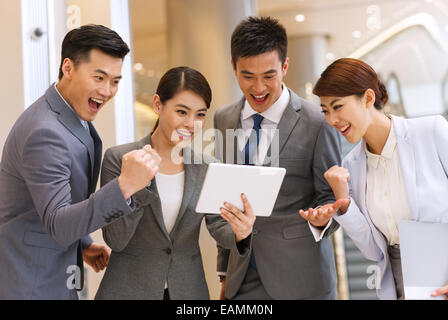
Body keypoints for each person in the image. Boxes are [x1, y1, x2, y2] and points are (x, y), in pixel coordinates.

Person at [0, 24, 159, 299]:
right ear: (68, 68)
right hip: (31, 284)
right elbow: (59, 225)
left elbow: (51, 201)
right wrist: (124, 186)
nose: (108, 91)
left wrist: (83, 243)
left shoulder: (70, 115)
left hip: (52, 274)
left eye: (115, 81)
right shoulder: (45, 131)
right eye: (99, 77)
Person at [95, 66, 255, 300]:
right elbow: (116, 239)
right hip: (128, 289)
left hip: (188, 291)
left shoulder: (207, 167)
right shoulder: (120, 159)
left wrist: (242, 232)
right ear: (158, 105)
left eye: (200, 114)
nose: (191, 123)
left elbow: (220, 228)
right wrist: (139, 184)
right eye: (182, 112)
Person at [214, 16, 342, 300]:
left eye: (269, 76)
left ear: (285, 67)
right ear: (233, 67)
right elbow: (225, 199)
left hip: (303, 282)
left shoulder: (318, 122)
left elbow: (329, 198)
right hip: (242, 280)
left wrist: (322, 219)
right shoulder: (224, 119)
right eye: (248, 76)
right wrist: (224, 273)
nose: (258, 88)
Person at [300, 57, 448, 300]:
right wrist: (344, 203)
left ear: (368, 98)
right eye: (325, 111)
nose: (331, 120)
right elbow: (373, 249)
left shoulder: (431, 132)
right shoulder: (352, 166)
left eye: (338, 107)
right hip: (401, 285)